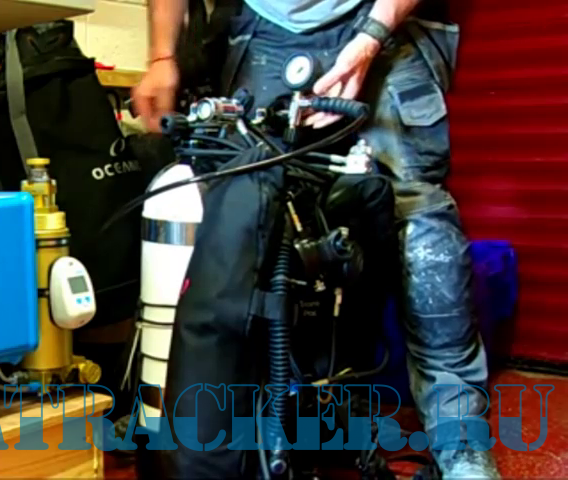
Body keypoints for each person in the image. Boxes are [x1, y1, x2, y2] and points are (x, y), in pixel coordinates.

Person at [132, 0, 499, 478]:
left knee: (424, 238)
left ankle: (461, 443)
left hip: (383, 23)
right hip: (262, 30)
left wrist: (370, 38)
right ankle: (267, 435)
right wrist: (163, 55)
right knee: (249, 221)